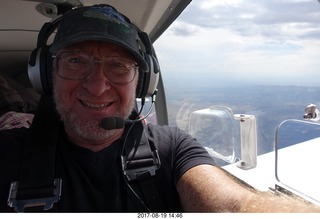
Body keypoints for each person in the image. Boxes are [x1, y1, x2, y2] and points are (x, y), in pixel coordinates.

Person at [0, 4, 320, 213]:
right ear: (46, 74)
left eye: (118, 65)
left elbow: (235, 206)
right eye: (75, 61)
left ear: (142, 82)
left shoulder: (171, 149)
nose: (97, 85)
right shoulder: (9, 154)